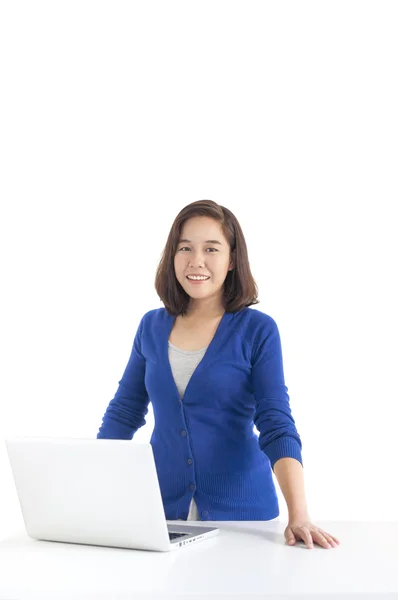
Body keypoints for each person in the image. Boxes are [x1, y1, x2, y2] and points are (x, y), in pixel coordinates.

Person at [97, 199, 340, 550]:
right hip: (161, 517)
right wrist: (89, 491)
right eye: (185, 248)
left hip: (245, 521)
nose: (196, 261)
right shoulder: (151, 326)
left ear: (231, 260)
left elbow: (275, 422)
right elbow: (124, 412)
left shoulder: (258, 330)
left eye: (211, 248)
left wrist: (299, 514)